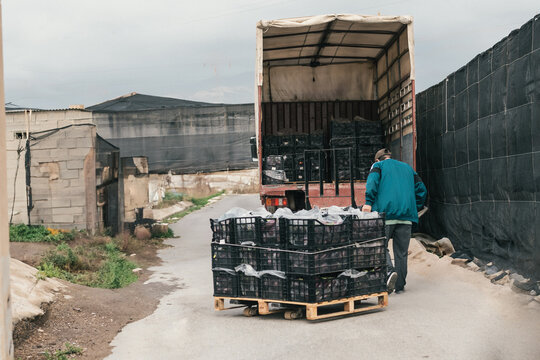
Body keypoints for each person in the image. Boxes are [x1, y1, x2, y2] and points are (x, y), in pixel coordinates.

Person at [362, 148, 427, 294]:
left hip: (386, 215)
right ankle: (399, 286)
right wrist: (413, 207)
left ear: (378, 159)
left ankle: (389, 273)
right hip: (406, 217)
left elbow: (372, 183)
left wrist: (368, 202)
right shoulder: (408, 168)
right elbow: (422, 190)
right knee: (401, 253)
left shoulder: (377, 166)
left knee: (380, 247)